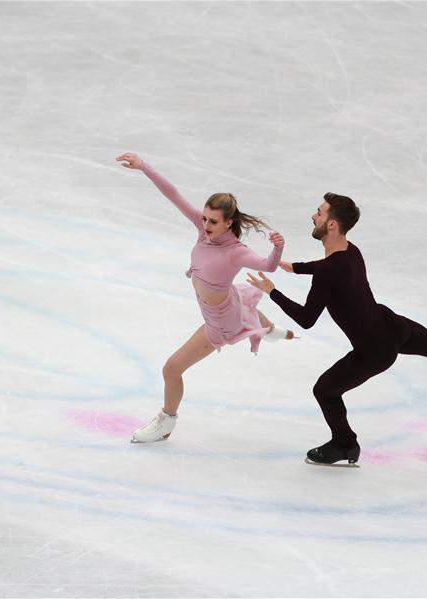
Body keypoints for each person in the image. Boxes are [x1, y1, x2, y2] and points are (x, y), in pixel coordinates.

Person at [247, 192, 427, 465]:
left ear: (331, 225)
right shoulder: (351, 251)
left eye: (319, 213)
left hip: (374, 350)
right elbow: (330, 267)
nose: (313, 216)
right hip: (392, 325)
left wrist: (273, 292)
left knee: (325, 390)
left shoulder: (328, 271)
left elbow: (307, 318)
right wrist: (295, 268)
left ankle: (345, 443)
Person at [116, 152, 296, 443]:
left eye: (213, 221)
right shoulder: (203, 231)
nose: (206, 224)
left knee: (171, 368)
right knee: (243, 298)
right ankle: (272, 330)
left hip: (220, 321)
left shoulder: (236, 251)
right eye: (205, 218)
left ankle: (166, 422)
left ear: (228, 223)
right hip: (229, 302)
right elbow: (173, 195)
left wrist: (278, 248)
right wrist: (144, 166)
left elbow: (267, 266)